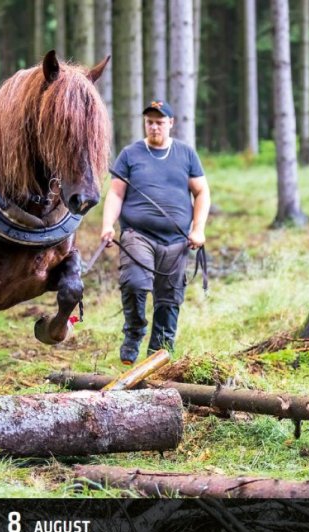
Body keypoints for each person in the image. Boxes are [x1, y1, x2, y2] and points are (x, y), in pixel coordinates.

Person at [100, 100, 211, 364]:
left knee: (169, 299)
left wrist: (198, 229)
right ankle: (134, 332)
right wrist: (107, 225)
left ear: (171, 123)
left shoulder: (186, 154)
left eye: (159, 122)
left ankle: (159, 354)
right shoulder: (130, 154)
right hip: (137, 235)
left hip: (176, 241)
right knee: (135, 283)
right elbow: (116, 193)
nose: (154, 127)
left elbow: (202, 192)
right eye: (149, 122)